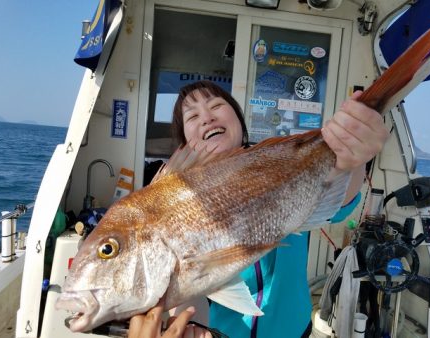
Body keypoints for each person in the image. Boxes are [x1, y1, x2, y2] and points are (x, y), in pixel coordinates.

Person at [129, 80, 389, 338]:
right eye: (192, 116)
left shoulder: (278, 162)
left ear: (240, 124)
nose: (206, 118)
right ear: (186, 142)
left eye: (216, 105)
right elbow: (185, 290)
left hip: (293, 329)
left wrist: (353, 160)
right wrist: (193, 327)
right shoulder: (180, 203)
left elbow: (338, 203)